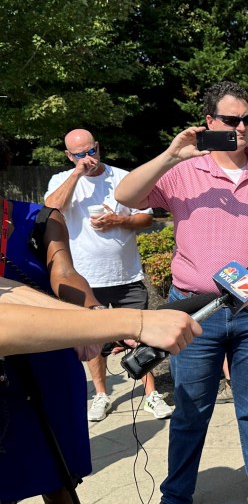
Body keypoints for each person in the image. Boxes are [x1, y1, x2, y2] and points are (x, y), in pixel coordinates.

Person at [114, 80, 248, 504]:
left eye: (247, 120)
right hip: (194, 313)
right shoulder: (183, 172)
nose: (241, 128)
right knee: (192, 408)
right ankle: (176, 495)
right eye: (231, 120)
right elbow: (126, 197)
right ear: (209, 122)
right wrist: (172, 154)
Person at [0, 196, 202, 504]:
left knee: (60, 480)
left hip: (52, 361)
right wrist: (125, 322)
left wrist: (92, 314)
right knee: (3, 491)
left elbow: (56, 275)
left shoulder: (39, 217)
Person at [45, 129, 173, 422]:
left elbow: (147, 217)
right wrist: (77, 174)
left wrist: (121, 219)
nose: (88, 158)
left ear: (99, 147)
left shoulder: (121, 177)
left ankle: (150, 394)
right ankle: (101, 394)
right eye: (79, 154)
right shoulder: (62, 180)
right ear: (69, 156)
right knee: (93, 342)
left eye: (91, 151)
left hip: (126, 275)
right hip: (86, 280)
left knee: (140, 336)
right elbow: (51, 206)